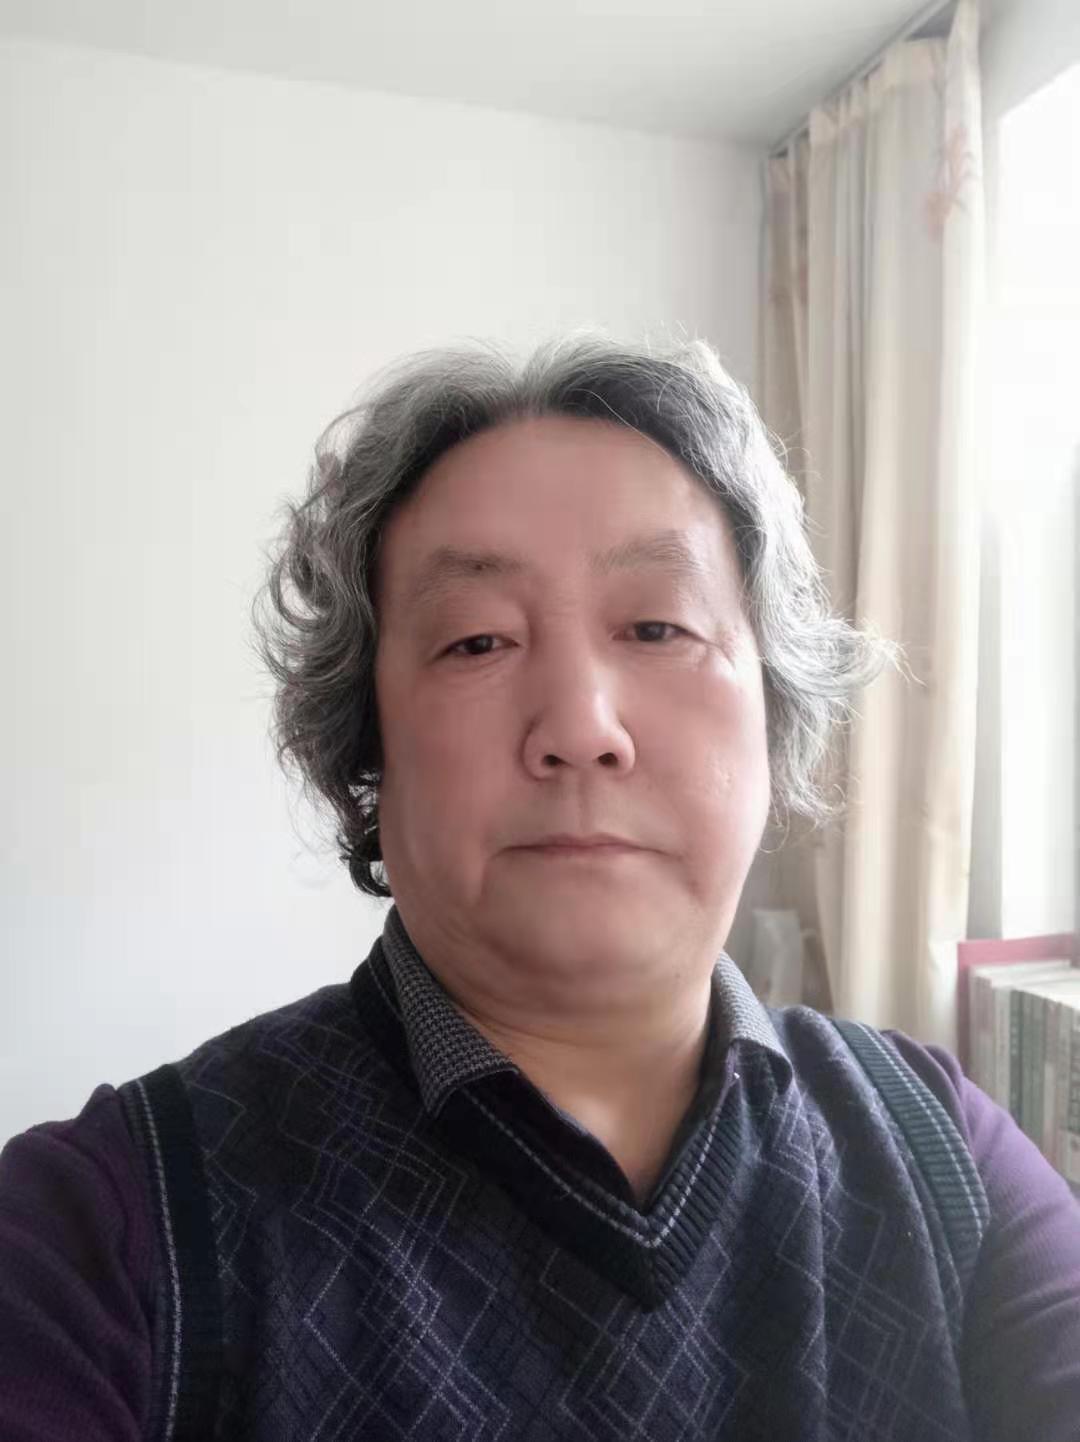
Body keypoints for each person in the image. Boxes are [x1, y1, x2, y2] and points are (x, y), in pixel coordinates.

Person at [1, 334, 1078, 1442]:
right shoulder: (106, 1233)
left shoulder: (947, 1158)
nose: (579, 726)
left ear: (775, 713)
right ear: (369, 748)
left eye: (657, 626)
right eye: (476, 642)